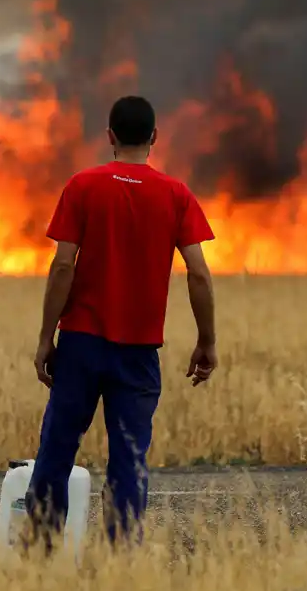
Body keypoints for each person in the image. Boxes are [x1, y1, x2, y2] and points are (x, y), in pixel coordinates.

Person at [24, 95, 218, 553]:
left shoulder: (82, 186)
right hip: (138, 352)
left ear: (109, 136)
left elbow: (63, 266)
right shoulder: (176, 195)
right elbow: (198, 273)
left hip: (80, 345)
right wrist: (207, 340)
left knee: (56, 449)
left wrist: (46, 337)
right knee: (129, 459)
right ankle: (122, 559)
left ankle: (41, 556)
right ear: (154, 137)